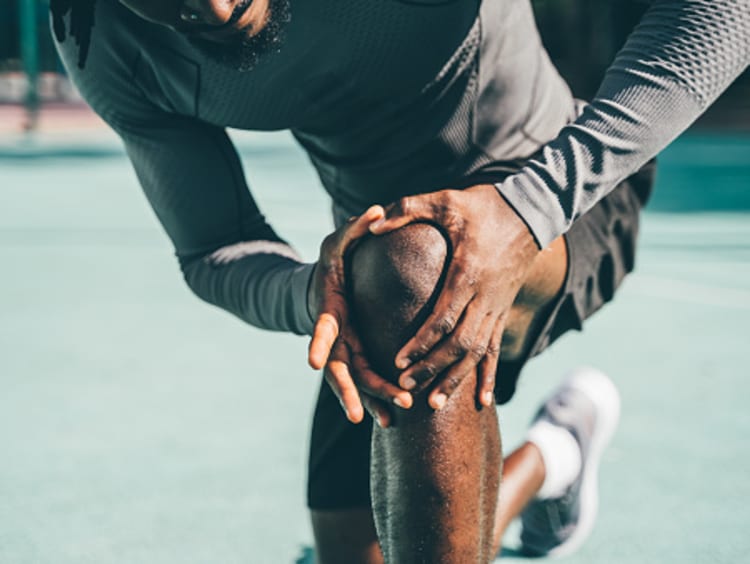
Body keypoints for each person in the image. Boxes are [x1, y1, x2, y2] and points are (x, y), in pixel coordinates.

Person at [50, 0, 748, 562]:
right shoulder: (96, 32)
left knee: (416, 269)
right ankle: (554, 453)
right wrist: (314, 293)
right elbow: (212, 247)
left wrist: (528, 208)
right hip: (380, 283)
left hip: (567, 202)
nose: (211, 6)